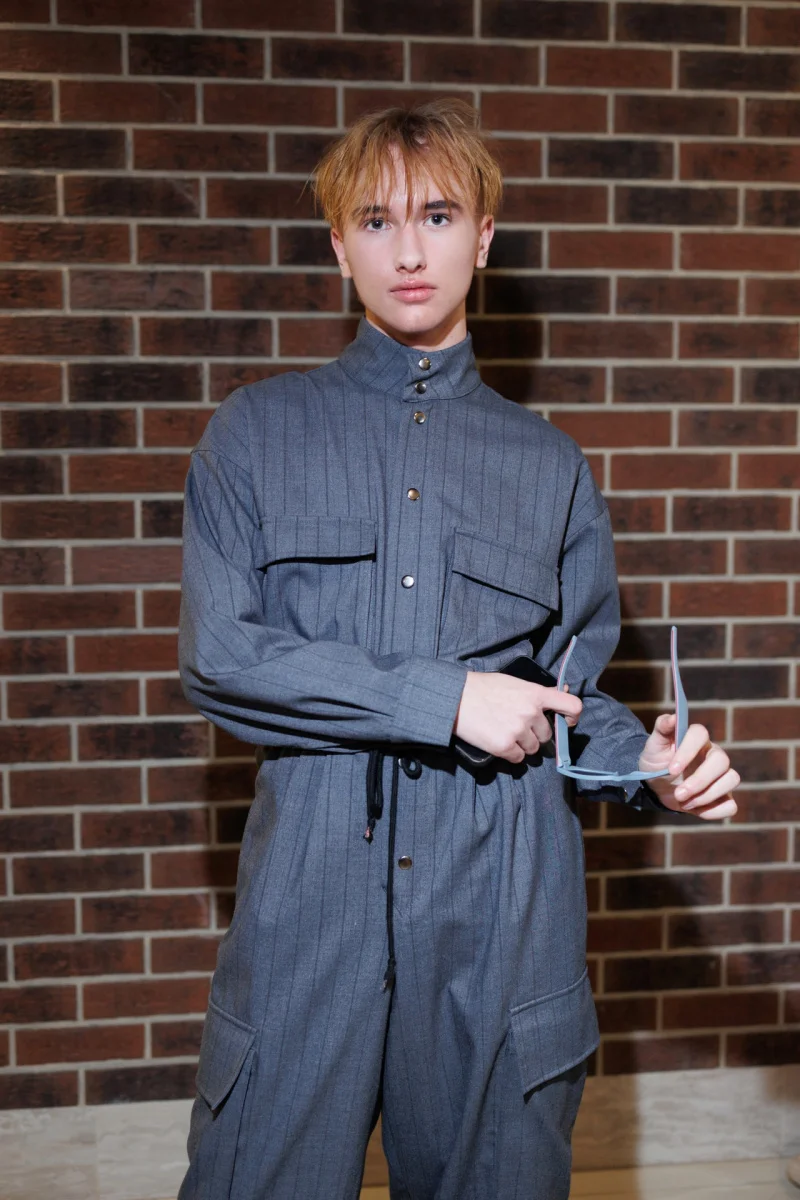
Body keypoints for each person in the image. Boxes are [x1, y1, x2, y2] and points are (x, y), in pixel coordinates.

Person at [176, 99, 741, 1200]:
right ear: (338, 246)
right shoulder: (255, 434)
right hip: (308, 912)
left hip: (501, 919)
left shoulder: (550, 467)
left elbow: (571, 695)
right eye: (375, 221)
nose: (408, 250)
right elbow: (223, 656)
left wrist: (646, 763)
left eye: (436, 216)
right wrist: (443, 699)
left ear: (482, 237)